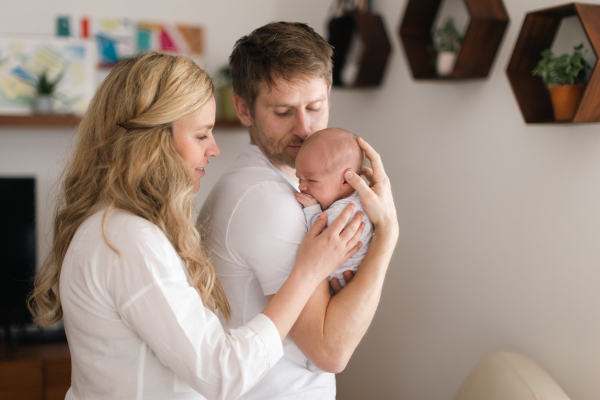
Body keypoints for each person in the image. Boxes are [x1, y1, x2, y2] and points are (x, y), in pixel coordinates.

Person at [27, 51, 365, 400]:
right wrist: (308, 272)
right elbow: (222, 373)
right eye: (202, 136)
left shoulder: (119, 229)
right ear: (154, 142)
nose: (215, 149)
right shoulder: (128, 241)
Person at [198, 22, 399, 399]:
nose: (305, 128)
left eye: (314, 107)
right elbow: (331, 350)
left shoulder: (288, 187)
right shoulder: (268, 199)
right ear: (243, 109)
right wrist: (387, 234)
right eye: (283, 112)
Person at [294, 127, 373, 288]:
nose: (302, 186)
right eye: (299, 178)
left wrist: (312, 210)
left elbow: (321, 240)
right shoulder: (357, 197)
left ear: (345, 181)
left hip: (339, 285)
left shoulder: (345, 211)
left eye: (311, 180)